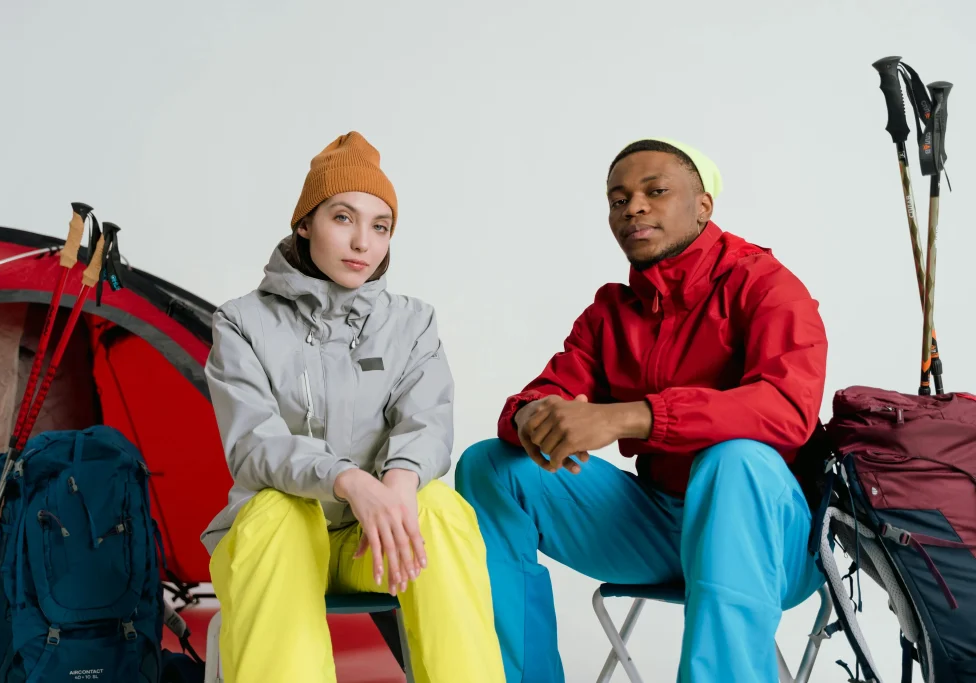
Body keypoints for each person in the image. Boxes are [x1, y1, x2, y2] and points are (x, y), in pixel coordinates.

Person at [454, 138, 829, 682]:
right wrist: (534, 419)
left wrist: (626, 417)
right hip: (660, 527)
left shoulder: (766, 285)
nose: (634, 207)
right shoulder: (612, 311)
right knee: (491, 465)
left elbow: (786, 410)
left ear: (704, 206)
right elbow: (539, 395)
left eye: (656, 192)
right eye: (618, 198)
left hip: (770, 540)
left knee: (736, 460)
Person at [200, 131, 505, 683]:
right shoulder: (241, 322)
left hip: (376, 544)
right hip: (283, 547)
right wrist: (347, 480)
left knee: (439, 510)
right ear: (304, 224)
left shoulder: (413, 322)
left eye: (380, 226)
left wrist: (397, 482)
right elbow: (253, 444)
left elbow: (427, 420)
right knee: (276, 513)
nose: (363, 242)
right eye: (343, 218)